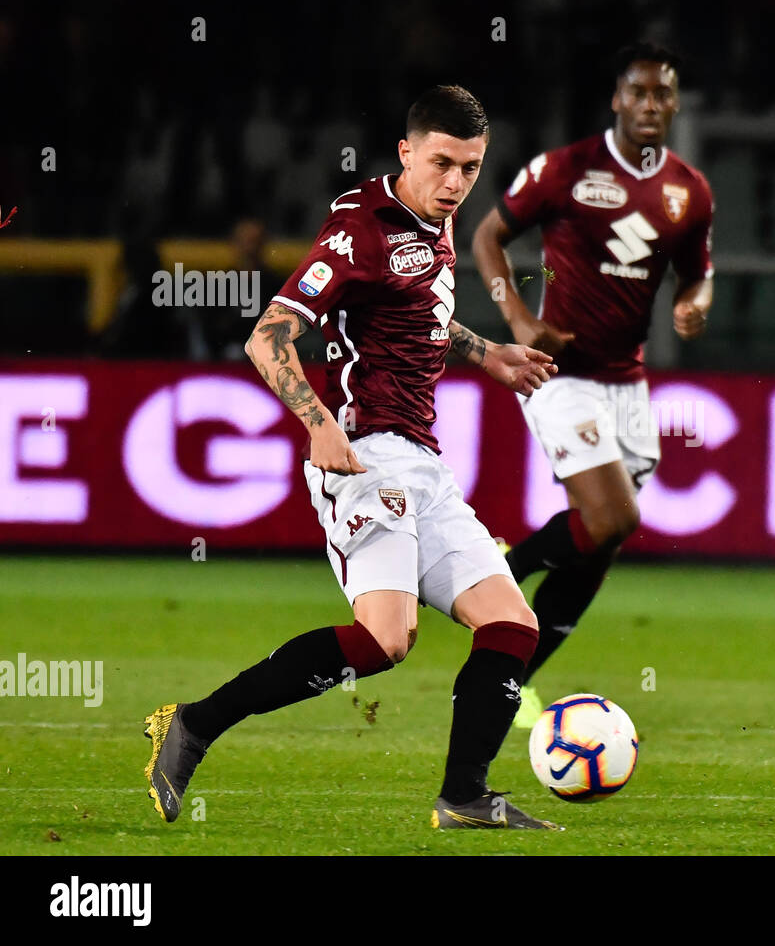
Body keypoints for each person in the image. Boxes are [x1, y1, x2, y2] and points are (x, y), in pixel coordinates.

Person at [143, 85, 565, 831]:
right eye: (442, 163)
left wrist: (487, 350)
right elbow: (266, 336)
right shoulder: (357, 228)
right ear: (406, 151)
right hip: (363, 454)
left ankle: (465, 795)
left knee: (511, 624)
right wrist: (317, 424)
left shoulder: (435, 218)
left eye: (470, 168)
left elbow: (418, 310)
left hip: (423, 460)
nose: (456, 182)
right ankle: (195, 723)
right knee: (385, 638)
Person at [471, 43, 713, 726]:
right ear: (616, 99)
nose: (648, 105)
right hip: (559, 372)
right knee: (615, 519)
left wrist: (696, 301)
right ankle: (500, 570)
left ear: (673, 104)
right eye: (637, 93)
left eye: (662, 95)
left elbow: (698, 270)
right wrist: (518, 316)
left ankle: (509, 680)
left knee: (597, 545)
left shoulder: (688, 190)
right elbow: (487, 236)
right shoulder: (567, 168)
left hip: (626, 383)